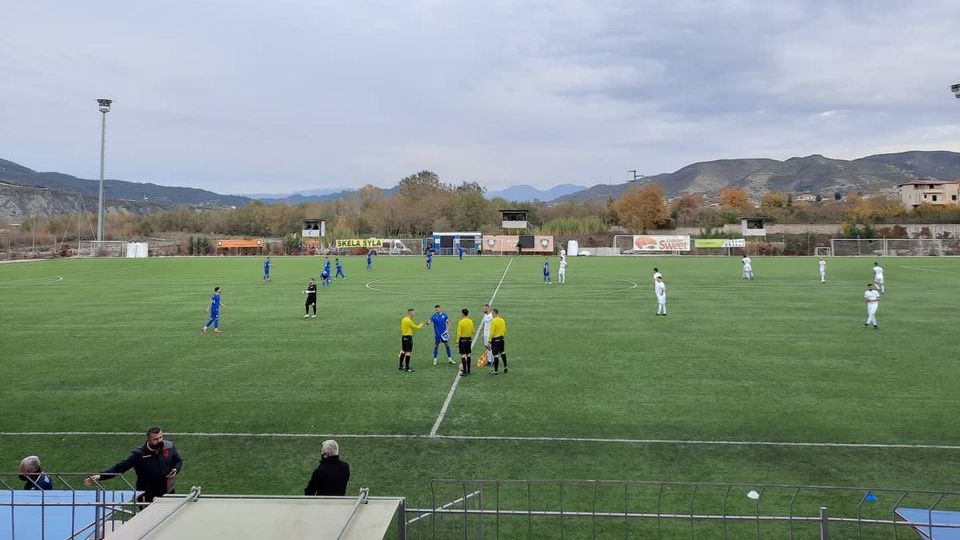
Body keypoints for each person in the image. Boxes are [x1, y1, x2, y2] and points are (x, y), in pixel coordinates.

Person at [84, 427, 182, 503]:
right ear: (148, 439)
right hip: (146, 495)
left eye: (161, 437)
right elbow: (120, 467)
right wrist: (100, 476)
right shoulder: (139, 454)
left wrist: (175, 469)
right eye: (155, 439)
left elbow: (178, 461)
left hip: (168, 493)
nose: (159, 441)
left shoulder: (169, 446)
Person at [398, 308, 428, 372]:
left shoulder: (404, 319)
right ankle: (407, 368)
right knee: (408, 352)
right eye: (413, 313)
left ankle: (400, 365)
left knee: (403, 351)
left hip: (403, 337)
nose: (414, 314)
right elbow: (417, 327)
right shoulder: (408, 320)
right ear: (410, 313)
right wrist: (422, 324)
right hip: (408, 337)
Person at [488, 308, 507, 375]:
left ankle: (496, 371)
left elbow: (491, 332)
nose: (492, 315)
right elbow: (504, 330)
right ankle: (505, 367)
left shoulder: (493, 321)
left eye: (492, 313)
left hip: (495, 340)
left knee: (495, 355)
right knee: (502, 352)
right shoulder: (502, 320)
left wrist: (489, 341)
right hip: (502, 338)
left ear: (494, 313)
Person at [456, 308, 474, 376]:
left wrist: (457, 341)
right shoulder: (471, 321)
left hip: (463, 340)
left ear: (463, 314)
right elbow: (472, 331)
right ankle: (469, 370)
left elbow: (459, 333)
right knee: (468, 354)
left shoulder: (461, 322)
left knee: (463, 355)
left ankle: (464, 371)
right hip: (469, 339)